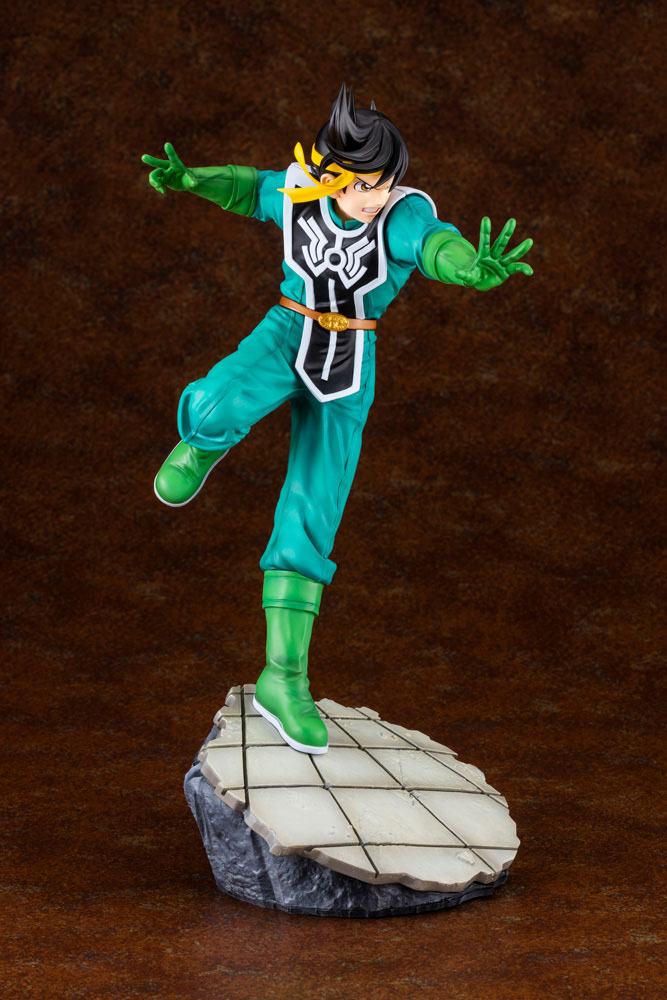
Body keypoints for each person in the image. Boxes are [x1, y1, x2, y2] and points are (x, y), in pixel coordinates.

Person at [141, 83, 534, 756]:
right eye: (358, 184)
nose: (370, 197)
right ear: (328, 170)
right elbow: (252, 189)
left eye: (380, 184)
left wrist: (470, 268)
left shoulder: (400, 215)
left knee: (311, 511)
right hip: (285, 331)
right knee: (215, 400)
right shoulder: (303, 192)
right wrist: (192, 180)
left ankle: (283, 677)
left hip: (350, 361)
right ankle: (201, 446)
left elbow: (433, 244)